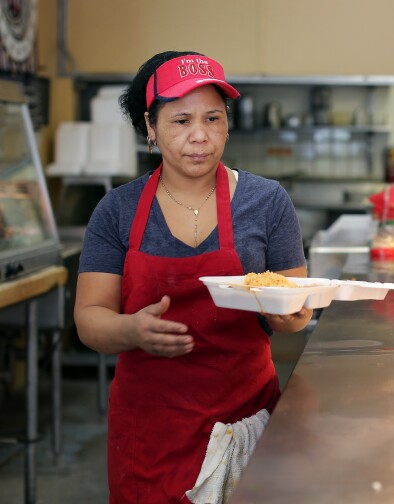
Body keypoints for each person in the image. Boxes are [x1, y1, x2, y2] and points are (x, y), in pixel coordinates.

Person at [73, 50, 312, 503]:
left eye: (213, 118)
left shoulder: (267, 201)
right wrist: (130, 329)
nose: (200, 136)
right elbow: (89, 318)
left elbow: (296, 306)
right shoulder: (118, 210)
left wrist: (289, 317)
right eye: (180, 121)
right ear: (150, 126)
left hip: (244, 418)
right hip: (149, 431)